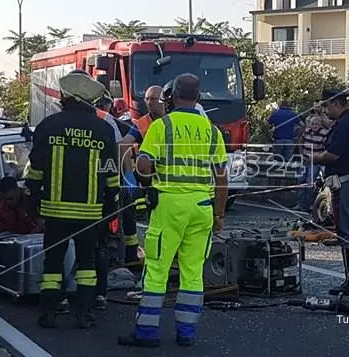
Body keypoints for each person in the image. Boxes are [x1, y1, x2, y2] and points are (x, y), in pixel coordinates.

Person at [117, 73, 228, 348]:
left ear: (171, 96)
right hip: (202, 208)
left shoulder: (162, 126)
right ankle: (186, 334)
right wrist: (219, 215)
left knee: (157, 270)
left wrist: (146, 174)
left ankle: (146, 333)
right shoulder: (212, 130)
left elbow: (143, 166)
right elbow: (222, 178)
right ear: (199, 98)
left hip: (169, 207)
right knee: (192, 272)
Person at [25, 70, 120, 329]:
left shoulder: (48, 126)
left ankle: (48, 312)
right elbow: (111, 172)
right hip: (90, 213)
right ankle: (84, 313)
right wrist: (112, 205)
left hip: (54, 211)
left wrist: (31, 199)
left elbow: (35, 169)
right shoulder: (103, 129)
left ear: (67, 98)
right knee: (87, 263)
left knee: (53, 262)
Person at [311, 89, 349, 297]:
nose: (325, 110)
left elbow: (333, 155)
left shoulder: (344, 125)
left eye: (327, 106)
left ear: (336, 103)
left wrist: (314, 157)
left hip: (348, 183)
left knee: (348, 234)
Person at [119, 85, 166, 264]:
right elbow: (124, 144)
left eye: (152, 99)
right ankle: (134, 251)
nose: (148, 103)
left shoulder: (170, 121)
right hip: (144, 175)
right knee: (131, 206)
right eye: (146, 99)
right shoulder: (141, 123)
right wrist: (129, 175)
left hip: (165, 176)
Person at [293, 106, 331, 212]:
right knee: (301, 181)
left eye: (316, 124)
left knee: (310, 182)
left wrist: (319, 158)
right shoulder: (307, 131)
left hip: (315, 161)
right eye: (313, 124)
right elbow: (301, 142)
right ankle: (300, 204)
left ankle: (308, 205)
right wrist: (301, 154)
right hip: (305, 159)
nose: (314, 126)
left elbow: (326, 147)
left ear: (320, 125)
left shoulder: (324, 133)